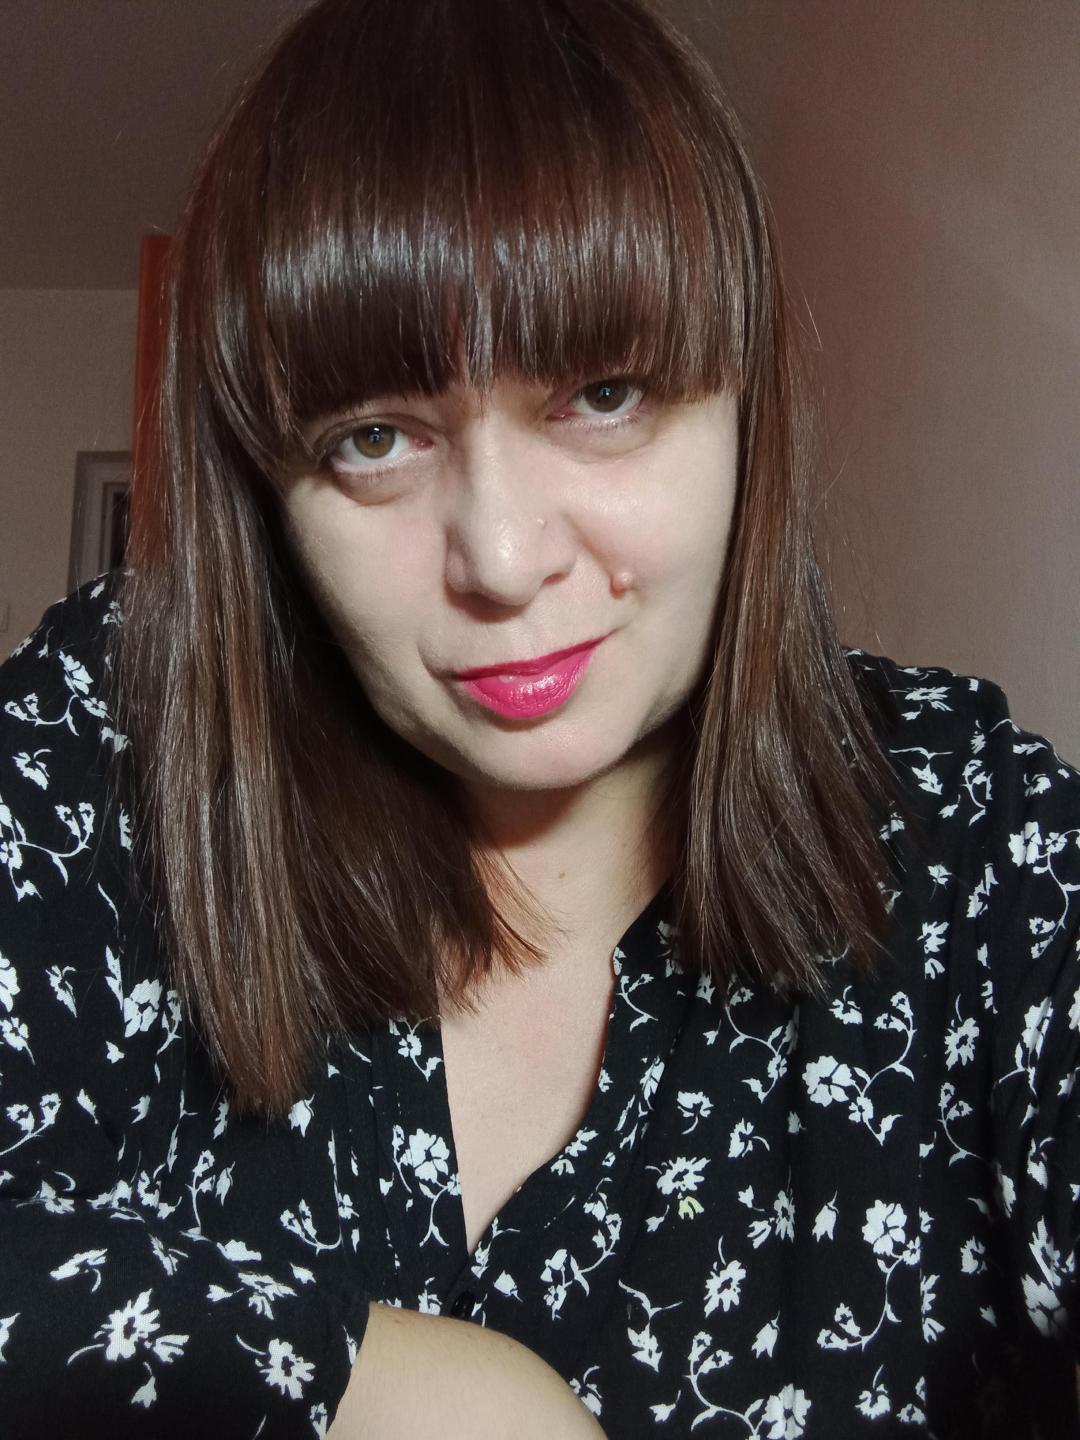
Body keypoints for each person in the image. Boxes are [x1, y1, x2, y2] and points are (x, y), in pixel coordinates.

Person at [1, 0, 1078, 1434]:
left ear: (741, 399)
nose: (503, 561)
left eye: (604, 394)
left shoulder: (970, 838)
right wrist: (399, 1385)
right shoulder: (115, 743)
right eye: (374, 438)